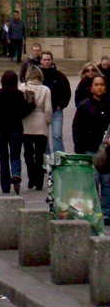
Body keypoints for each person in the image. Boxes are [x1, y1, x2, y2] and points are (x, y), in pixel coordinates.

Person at [72, 74, 110, 224]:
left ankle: (106, 212)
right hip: (89, 149)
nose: (99, 87)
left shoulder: (109, 105)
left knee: (107, 182)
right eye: (96, 84)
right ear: (91, 88)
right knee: (93, 181)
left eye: (102, 84)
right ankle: (93, 210)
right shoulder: (84, 105)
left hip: (106, 151)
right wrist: (79, 149)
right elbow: (77, 128)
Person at [0, 70, 35, 194]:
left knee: (3, 157)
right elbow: (24, 111)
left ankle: (5, 186)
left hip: (1, 130)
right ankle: (15, 174)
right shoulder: (19, 95)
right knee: (15, 155)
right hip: (16, 129)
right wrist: (31, 104)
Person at [20, 66, 52, 191]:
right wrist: (47, 122)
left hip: (26, 122)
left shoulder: (23, 87)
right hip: (40, 122)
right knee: (40, 154)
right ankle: (39, 180)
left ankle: (31, 177)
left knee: (28, 153)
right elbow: (48, 109)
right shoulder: (45, 90)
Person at [39, 50, 71, 154]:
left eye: (48, 60)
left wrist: (61, 105)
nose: (46, 62)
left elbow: (66, 92)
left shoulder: (59, 76)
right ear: (41, 61)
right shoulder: (37, 76)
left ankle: (59, 157)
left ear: (52, 61)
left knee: (57, 135)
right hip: (41, 111)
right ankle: (46, 159)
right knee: (43, 136)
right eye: (44, 60)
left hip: (56, 111)